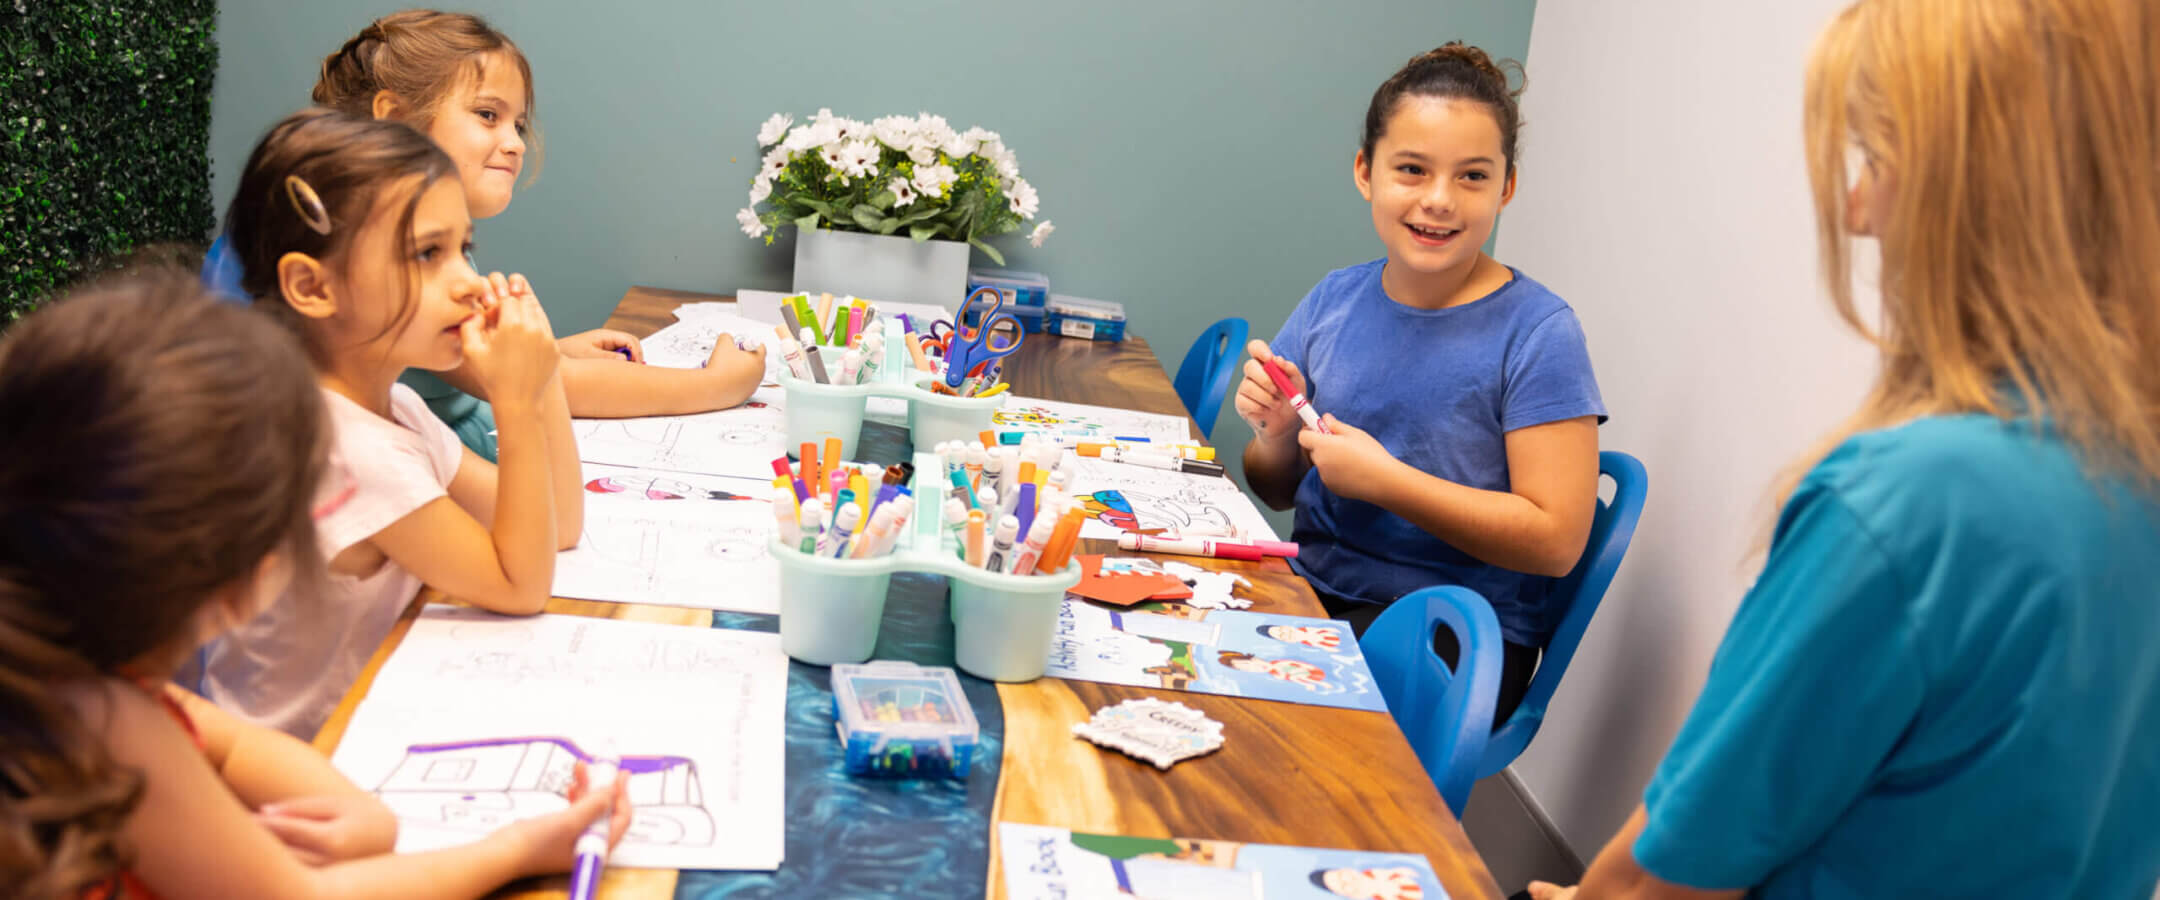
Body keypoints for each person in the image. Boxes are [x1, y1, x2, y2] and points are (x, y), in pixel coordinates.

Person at [1530, 1, 2160, 896]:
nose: (1859, 211)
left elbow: (1667, 879)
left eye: (1875, 158)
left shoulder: (1915, 506)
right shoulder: (2127, 466)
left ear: (1976, 181)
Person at [0, 266, 625, 900]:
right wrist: (516, 850)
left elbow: (233, 746)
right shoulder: (106, 720)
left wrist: (361, 813)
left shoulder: (75, 677)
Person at [1238, 42, 1605, 724]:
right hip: (1318, 595)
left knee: (1260, 727)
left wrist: (1387, 482)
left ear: (1507, 187)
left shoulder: (1539, 333)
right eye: (1412, 169)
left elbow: (1555, 542)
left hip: (1455, 638)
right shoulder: (1333, 300)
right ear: (1365, 172)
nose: (1438, 200)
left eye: (1472, 176)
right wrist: (1277, 435)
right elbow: (1275, 486)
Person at [194, 108, 582, 739]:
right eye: (427, 254)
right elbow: (520, 584)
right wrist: (513, 402)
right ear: (312, 286)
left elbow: (559, 525)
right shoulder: (340, 446)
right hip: (307, 768)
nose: (469, 283)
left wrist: (542, 378)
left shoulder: (394, 408)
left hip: (376, 712)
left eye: (464, 249)